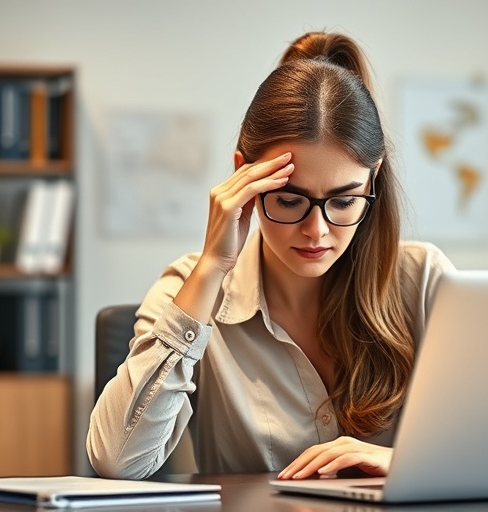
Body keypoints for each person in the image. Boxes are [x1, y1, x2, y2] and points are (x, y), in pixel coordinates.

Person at [87, 31, 455, 481]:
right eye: (289, 200)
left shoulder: (425, 283)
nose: (317, 231)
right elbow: (116, 460)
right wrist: (211, 269)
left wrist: (409, 464)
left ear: (373, 178)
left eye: (343, 201)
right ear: (246, 178)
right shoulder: (188, 288)